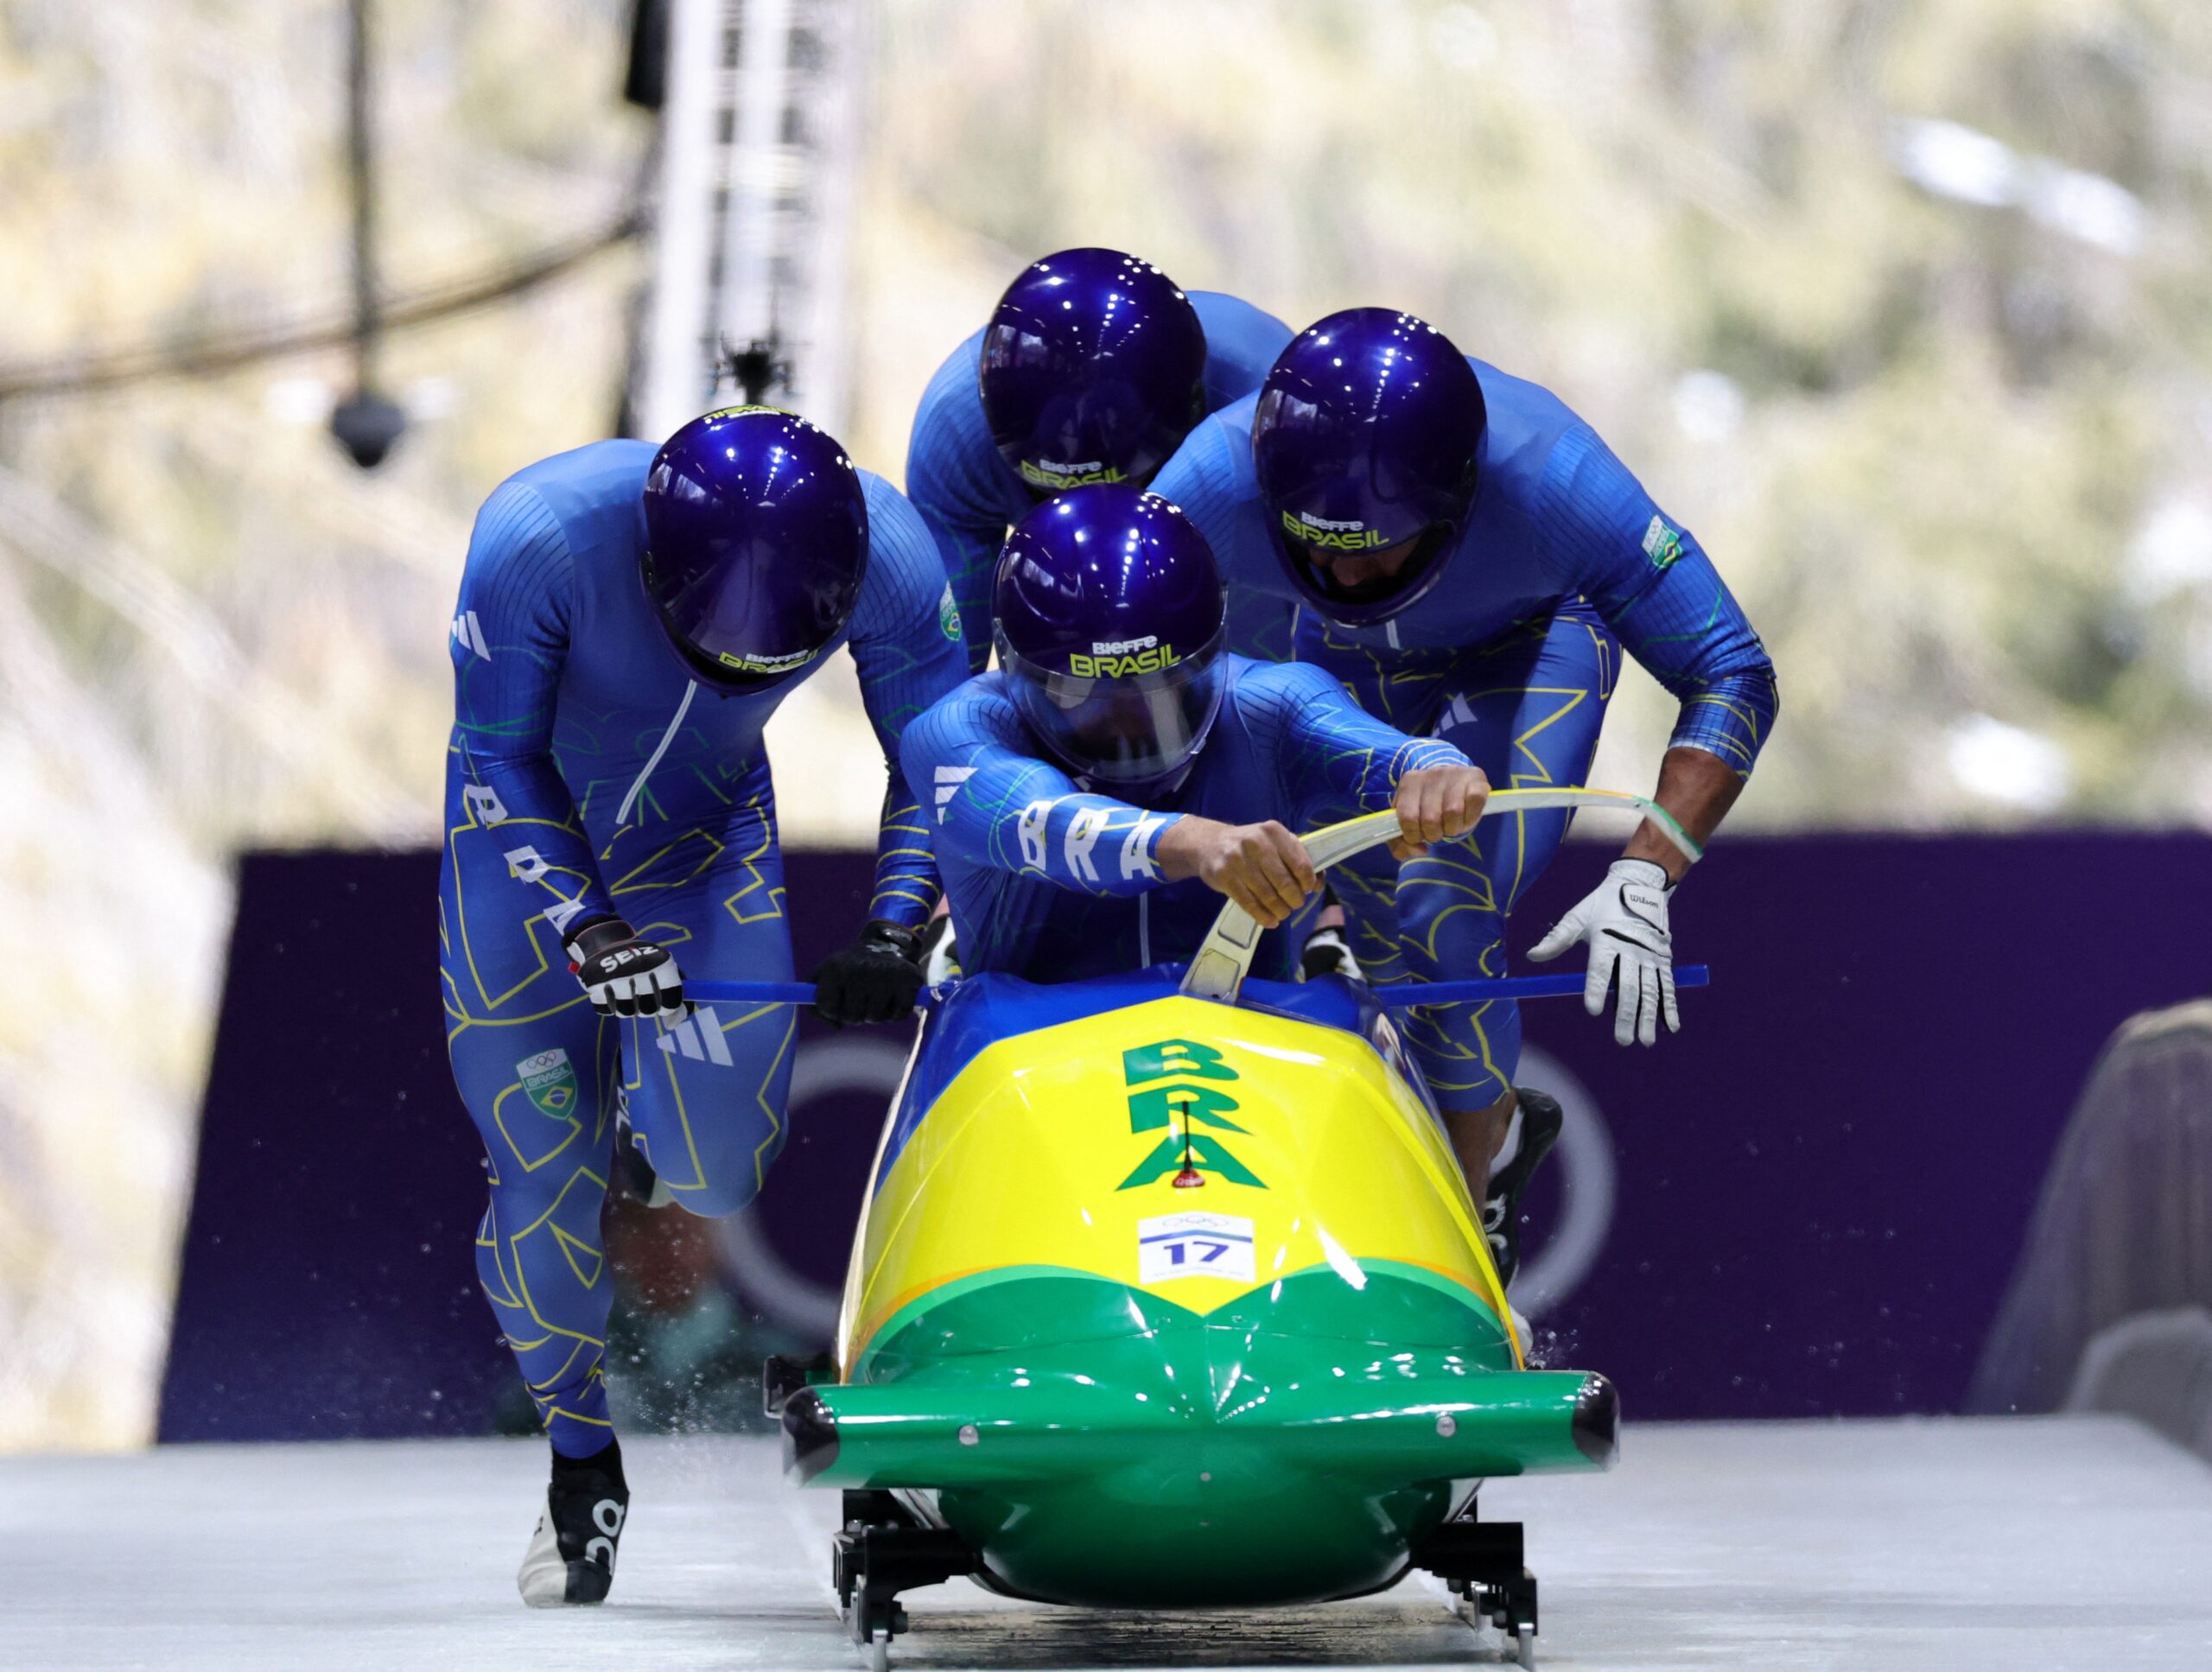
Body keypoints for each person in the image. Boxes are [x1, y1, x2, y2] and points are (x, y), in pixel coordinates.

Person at [437, 406, 967, 1607]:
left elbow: (942, 761)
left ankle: (649, 1130)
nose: (738, 663)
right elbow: (499, 756)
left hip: (700, 837)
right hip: (524, 867)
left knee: (719, 1171)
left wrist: (896, 919)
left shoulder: (892, 554)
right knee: (539, 1186)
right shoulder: (536, 535)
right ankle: (581, 1463)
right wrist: (587, 922)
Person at [1147, 308, 1781, 1269]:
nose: (1342, 569)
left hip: (1526, 649)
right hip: (1328, 668)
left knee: (1441, 902)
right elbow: (1092, 674)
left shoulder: (1557, 481)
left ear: (1456, 501)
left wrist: (1651, 869)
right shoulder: (1210, 482)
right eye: (1313, 546)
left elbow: (1730, 669)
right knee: (1261, 906)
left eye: (1374, 547)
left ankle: (1462, 1232)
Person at [899, 481, 1503, 1115]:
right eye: (1086, 702)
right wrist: (1197, 842)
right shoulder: (953, 735)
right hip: (1027, 1052)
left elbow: (1381, 748)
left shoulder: (1272, 701)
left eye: (1165, 694)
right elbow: (1040, 820)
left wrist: (1436, 769)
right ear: (1016, 672)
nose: (1133, 728)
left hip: (1253, 1041)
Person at [904, 245, 1294, 667]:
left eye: (1122, 487)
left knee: (1241, 685)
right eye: (1048, 491)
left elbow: (1338, 618)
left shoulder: (1268, 411)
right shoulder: (957, 431)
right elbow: (944, 678)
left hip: (1222, 528)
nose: (1096, 517)